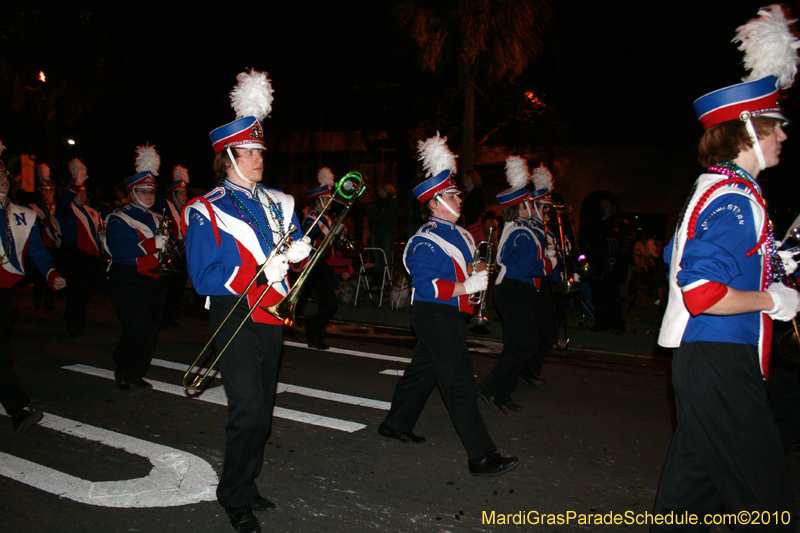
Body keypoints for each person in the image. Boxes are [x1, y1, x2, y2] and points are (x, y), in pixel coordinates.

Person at [654, 6, 800, 529]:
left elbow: (677, 257)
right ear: (749, 132)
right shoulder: (737, 199)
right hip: (721, 361)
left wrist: (769, 263)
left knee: (689, 497)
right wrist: (773, 299)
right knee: (767, 501)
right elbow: (701, 291)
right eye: (776, 128)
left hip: (705, 360)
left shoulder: (714, 190)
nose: (783, 137)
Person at [183, 69, 311, 533]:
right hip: (233, 311)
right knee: (247, 411)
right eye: (250, 152)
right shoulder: (206, 208)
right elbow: (204, 277)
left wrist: (299, 251)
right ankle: (235, 497)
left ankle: (246, 481)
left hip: (272, 314)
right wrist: (261, 274)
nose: (260, 159)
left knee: (264, 412)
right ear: (228, 158)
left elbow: (294, 243)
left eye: (260, 151)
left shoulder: (279, 202)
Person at [379, 132, 519, 477]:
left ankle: (395, 424)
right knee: (459, 382)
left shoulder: (463, 234)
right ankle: (481, 456)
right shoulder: (423, 240)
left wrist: (482, 274)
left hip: (451, 314)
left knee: (422, 372)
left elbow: (468, 268)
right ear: (435, 202)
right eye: (454, 195)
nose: (460, 199)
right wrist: (466, 286)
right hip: (435, 314)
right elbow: (428, 286)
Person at [479, 157, 557, 414]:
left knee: (518, 345)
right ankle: (491, 387)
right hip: (514, 291)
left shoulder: (521, 228)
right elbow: (529, 268)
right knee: (526, 344)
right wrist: (551, 261)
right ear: (521, 206)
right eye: (529, 203)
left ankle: (501, 391)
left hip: (517, 291)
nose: (532, 206)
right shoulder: (521, 232)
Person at [0, 142, 66, 432]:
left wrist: (51, 273)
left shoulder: (23, 214)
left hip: (6, 286)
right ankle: (17, 408)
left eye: (5, 174)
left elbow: (36, 249)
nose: (4, 178)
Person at [105, 144, 168, 391]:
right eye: (143, 191)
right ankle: (123, 366)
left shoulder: (157, 218)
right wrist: (153, 244)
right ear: (132, 193)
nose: (149, 195)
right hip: (128, 277)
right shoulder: (119, 217)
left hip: (154, 277)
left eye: (151, 191)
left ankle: (136, 372)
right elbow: (118, 248)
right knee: (136, 326)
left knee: (151, 329)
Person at [55, 159, 101, 337]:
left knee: (85, 292)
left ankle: (79, 322)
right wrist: (76, 183)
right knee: (76, 291)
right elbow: (63, 203)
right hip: (73, 253)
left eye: (84, 191)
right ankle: (72, 321)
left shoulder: (90, 211)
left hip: (88, 256)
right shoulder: (66, 209)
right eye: (78, 191)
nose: (82, 194)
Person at [298, 168, 339, 350]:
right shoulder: (311, 219)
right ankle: (315, 333)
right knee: (329, 304)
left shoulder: (326, 218)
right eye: (327, 199)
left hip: (327, 264)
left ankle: (314, 332)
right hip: (317, 265)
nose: (330, 202)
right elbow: (308, 239)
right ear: (320, 200)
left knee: (328, 304)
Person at [582, 191, 631, 334]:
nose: (603, 208)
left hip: (612, 265)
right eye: (601, 205)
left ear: (613, 207)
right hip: (595, 265)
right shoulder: (594, 223)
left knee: (612, 296)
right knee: (598, 295)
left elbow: (627, 243)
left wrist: (617, 258)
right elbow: (587, 242)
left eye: (606, 205)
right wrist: (585, 258)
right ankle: (601, 323)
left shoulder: (621, 223)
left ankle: (617, 324)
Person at [159, 165, 190, 328]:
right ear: (173, 195)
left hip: (182, 254)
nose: (185, 196)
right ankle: (164, 316)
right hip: (171, 253)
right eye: (181, 194)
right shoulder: (166, 207)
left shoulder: (185, 211)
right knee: (168, 288)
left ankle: (171, 316)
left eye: (185, 193)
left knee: (178, 288)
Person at [30, 163, 58, 311]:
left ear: (52, 191)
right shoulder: (35, 207)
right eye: (42, 190)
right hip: (43, 245)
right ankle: (37, 299)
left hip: (56, 246)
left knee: (55, 273)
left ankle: (49, 302)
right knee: (41, 275)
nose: (43, 193)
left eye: (46, 190)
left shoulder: (59, 206)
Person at [367, 182, 398, 285]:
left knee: (385, 256)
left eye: (381, 190)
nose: (379, 192)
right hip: (376, 232)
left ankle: (387, 280)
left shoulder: (392, 203)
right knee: (377, 256)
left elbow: (388, 217)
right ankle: (379, 280)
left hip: (387, 233)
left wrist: (380, 214)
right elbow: (371, 213)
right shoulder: (376, 202)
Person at [460, 168, 486, 244]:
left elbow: (480, 208)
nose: (464, 180)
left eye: (467, 178)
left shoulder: (478, 193)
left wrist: (465, 210)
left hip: (473, 224)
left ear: (473, 179)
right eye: (463, 178)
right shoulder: (462, 192)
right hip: (462, 224)